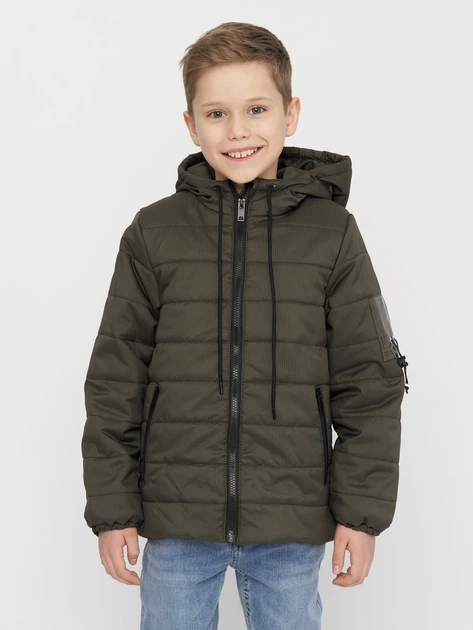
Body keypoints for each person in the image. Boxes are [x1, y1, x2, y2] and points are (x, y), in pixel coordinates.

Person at [81, 21, 409, 630]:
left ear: (291, 114)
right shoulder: (153, 233)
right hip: (176, 520)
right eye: (217, 113)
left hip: (292, 521)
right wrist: (112, 509)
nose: (237, 131)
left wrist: (360, 515)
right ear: (191, 125)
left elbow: (370, 381)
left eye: (257, 109)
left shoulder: (333, 234)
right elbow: (114, 379)